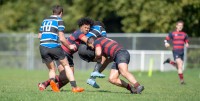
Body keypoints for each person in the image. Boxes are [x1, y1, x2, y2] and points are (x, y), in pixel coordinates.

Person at [38, 17, 94, 91]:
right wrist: (95, 46)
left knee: (68, 76)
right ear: (81, 27)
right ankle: (45, 84)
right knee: (66, 76)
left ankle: (53, 86)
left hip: (69, 55)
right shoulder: (79, 33)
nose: (87, 29)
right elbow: (87, 41)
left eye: (88, 28)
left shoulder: (82, 34)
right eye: (85, 27)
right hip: (63, 53)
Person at [78, 21, 110, 88]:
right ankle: (93, 77)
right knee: (106, 57)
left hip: (80, 51)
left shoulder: (89, 29)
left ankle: (92, 78)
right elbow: (105, 40)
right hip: (87, 48)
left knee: (103, 58)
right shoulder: (100, 28)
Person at [163, 20, 189, 85]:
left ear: (182, 27)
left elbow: (186, 41)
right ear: (176, 26)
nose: (180, 27)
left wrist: (186, 43)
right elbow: (166, 39)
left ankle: (169, 61)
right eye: (179, 25)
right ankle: (182, 81)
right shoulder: (173, 33)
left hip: (182, 52)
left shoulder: (184, 34)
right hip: (176, 51)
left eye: (181, 26)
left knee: (178, 67)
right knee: (180, 66)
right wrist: (166, 43)